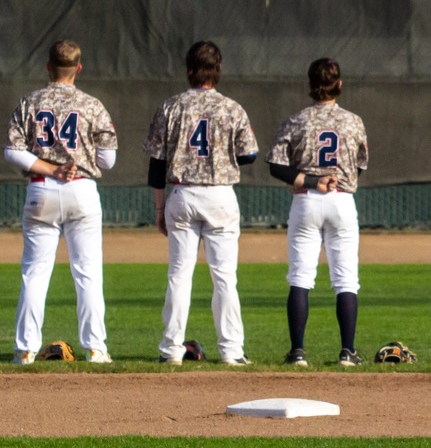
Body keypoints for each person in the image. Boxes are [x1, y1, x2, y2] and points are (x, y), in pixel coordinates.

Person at [5, 40, 119, 364]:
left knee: (35, 274)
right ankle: (96, 349)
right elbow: (108, 159)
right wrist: (78, 157)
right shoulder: (92, 104)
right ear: (79, 68)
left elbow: (12, 151)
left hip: (41, 188)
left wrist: (51, 168)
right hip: (81, 189)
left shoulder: (31, 101)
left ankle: (25, 350)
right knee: (88, 274)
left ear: (47, 66)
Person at [146, 40, 258, 365]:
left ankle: (171, 350)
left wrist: (158, 208)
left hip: (181, 194)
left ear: (189, 70)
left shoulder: (171, 106)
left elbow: (156, 163)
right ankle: (231, 352)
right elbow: (249, 154)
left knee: (179, 275)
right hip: (220, 195)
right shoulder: (232, 108)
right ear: (217, 71)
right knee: (224, 277)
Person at [268, 57, 368, 367]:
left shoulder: (297, 120)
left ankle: (297, 351)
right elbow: (361, 166)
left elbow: (275, 165)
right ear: (339, 84)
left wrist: (311, 180)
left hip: (306, 199)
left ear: (311, 86)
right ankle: (347, 352)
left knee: (300, 277)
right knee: (346, 280)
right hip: (341, 200)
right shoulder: (353, 121)